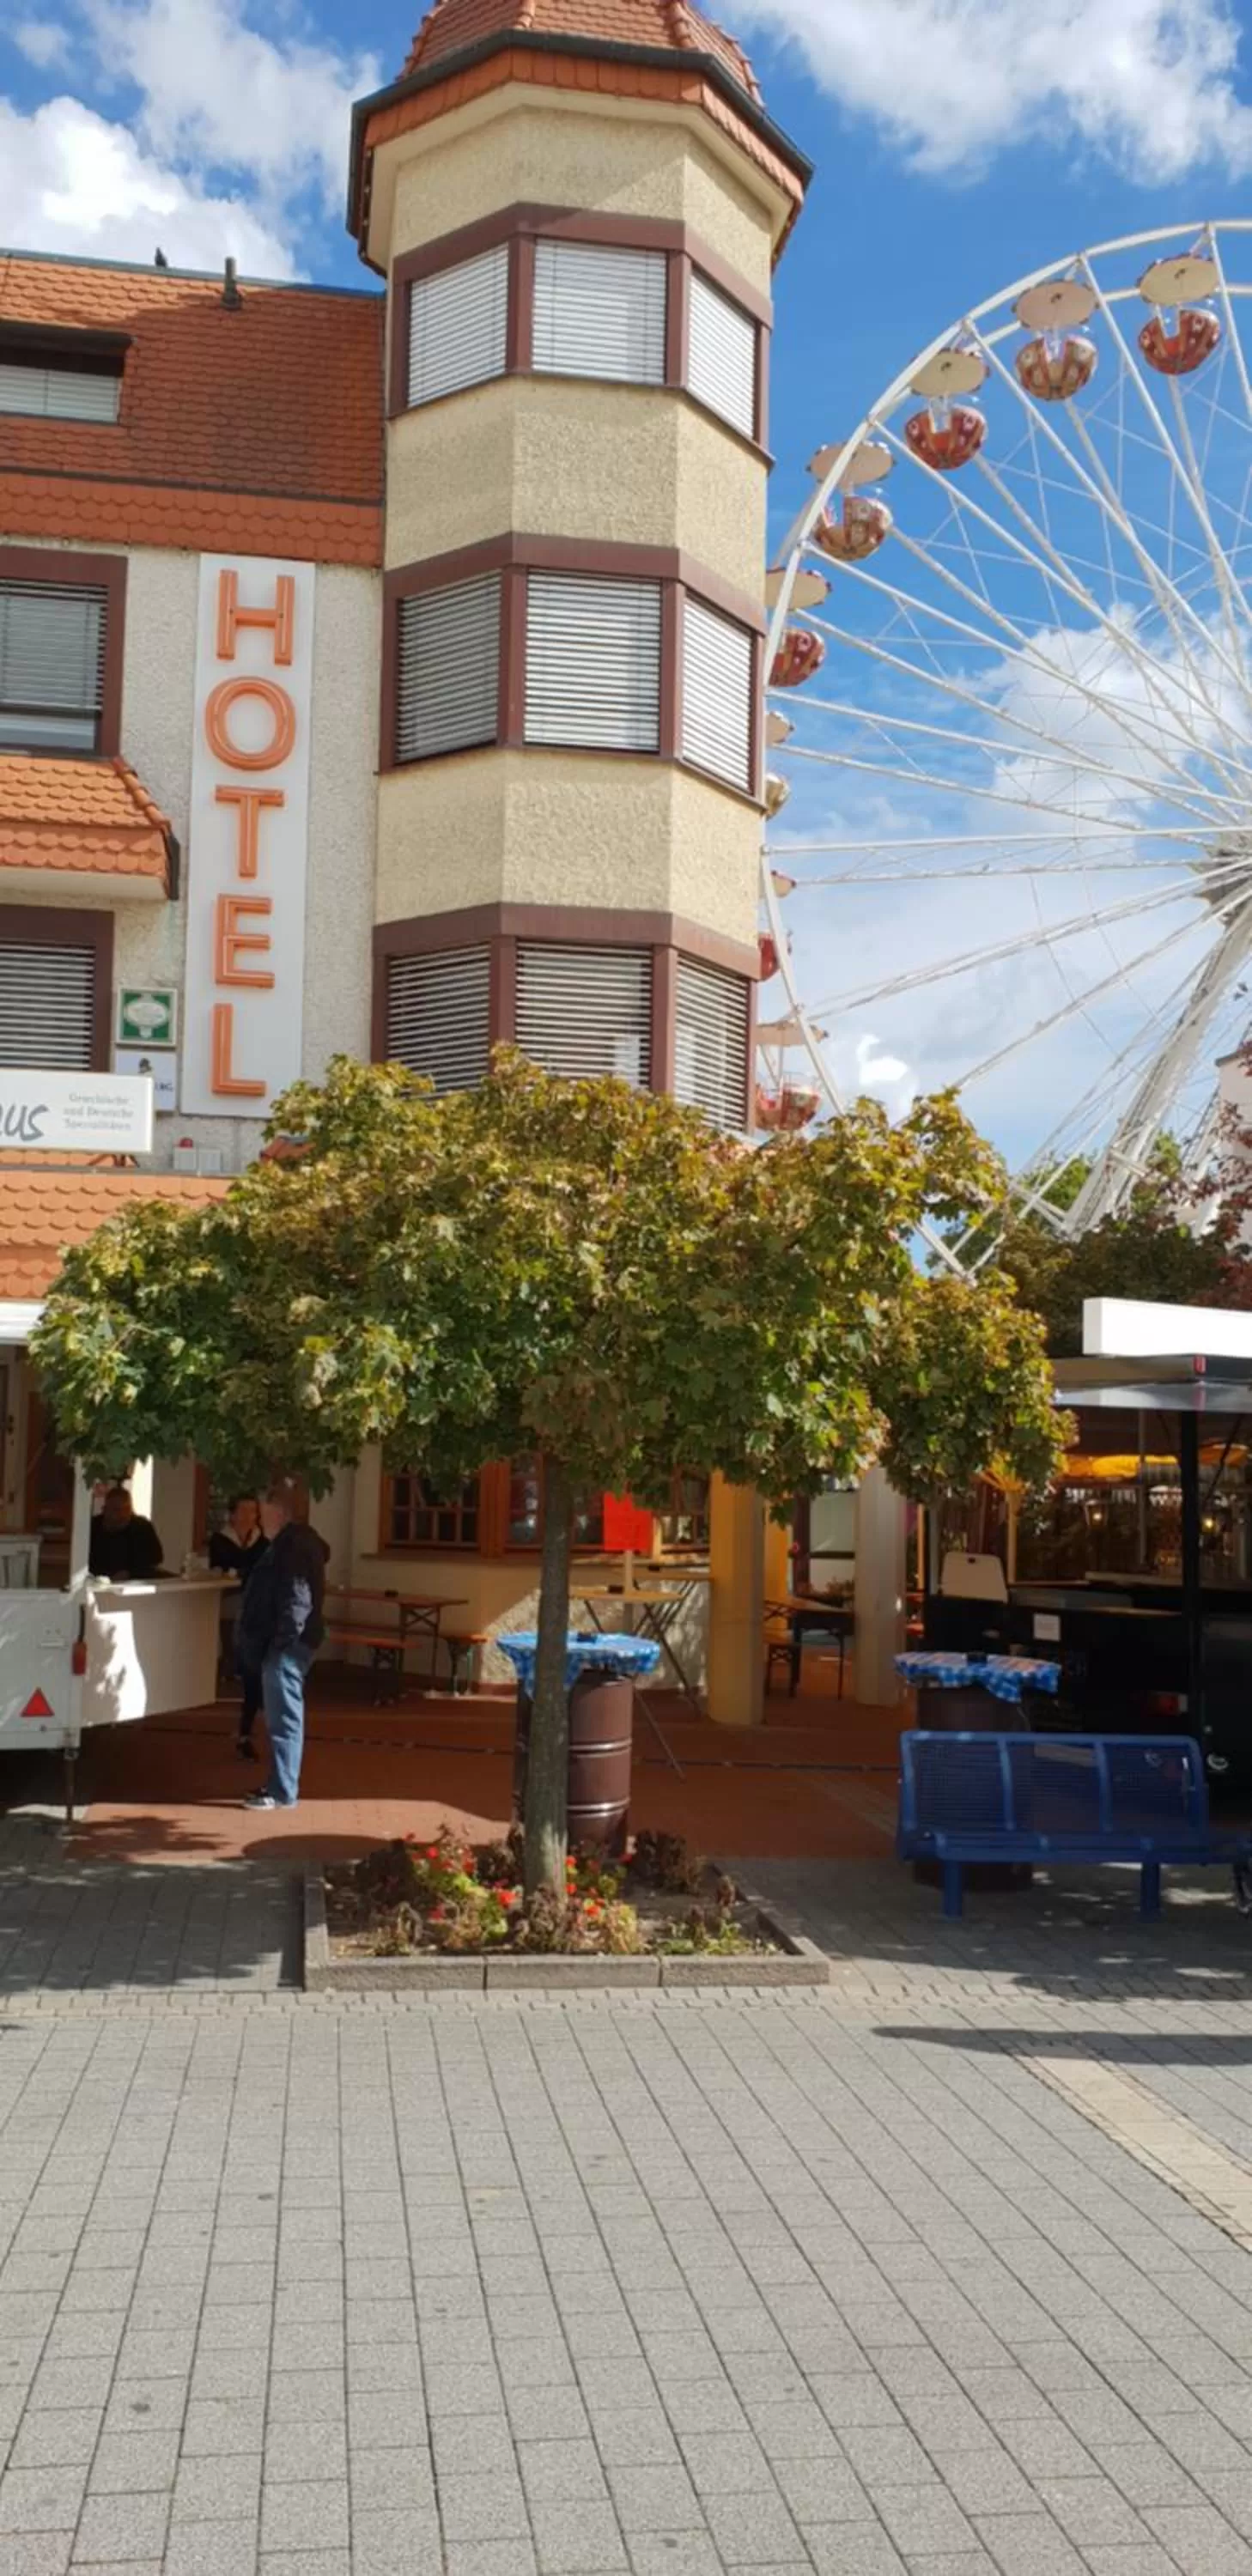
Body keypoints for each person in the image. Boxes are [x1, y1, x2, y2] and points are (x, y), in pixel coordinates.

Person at [235, 1479, 326, 1812]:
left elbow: (296, 1598)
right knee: (281, 1717)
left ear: (281, 1513)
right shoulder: (292, 1543)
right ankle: (279, 1786)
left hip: (288, 1646)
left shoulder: (293, 1546)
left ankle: (282, 1790)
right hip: (288, 1644)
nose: (260, 1520)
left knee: (284, 1719)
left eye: (264, 1512)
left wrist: (281, 1643)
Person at [209, 1498, 269, 1760]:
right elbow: (222, 1567)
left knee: (255, 1661)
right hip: (231, 1599)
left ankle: (247, 1682)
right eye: (243, 1510)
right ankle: (233, 1667)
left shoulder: (263, 1540)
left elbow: (260, 1568)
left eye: (253, 1511)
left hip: (256, 1604)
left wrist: (243, 1571)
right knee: (235, 1638)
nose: (249, 1515)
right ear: (232, 1515)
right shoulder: (220, 1539)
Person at [88, 1484, 163, 1582]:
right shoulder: (93, 1526)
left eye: (124, 1510)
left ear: (129, 1509)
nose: (119, 1514)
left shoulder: (142, 1527)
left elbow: (156, 1558)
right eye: (113, 1509)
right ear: (105, 1508)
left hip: (134, 1583)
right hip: (97, 1582)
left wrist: (130, 1573)